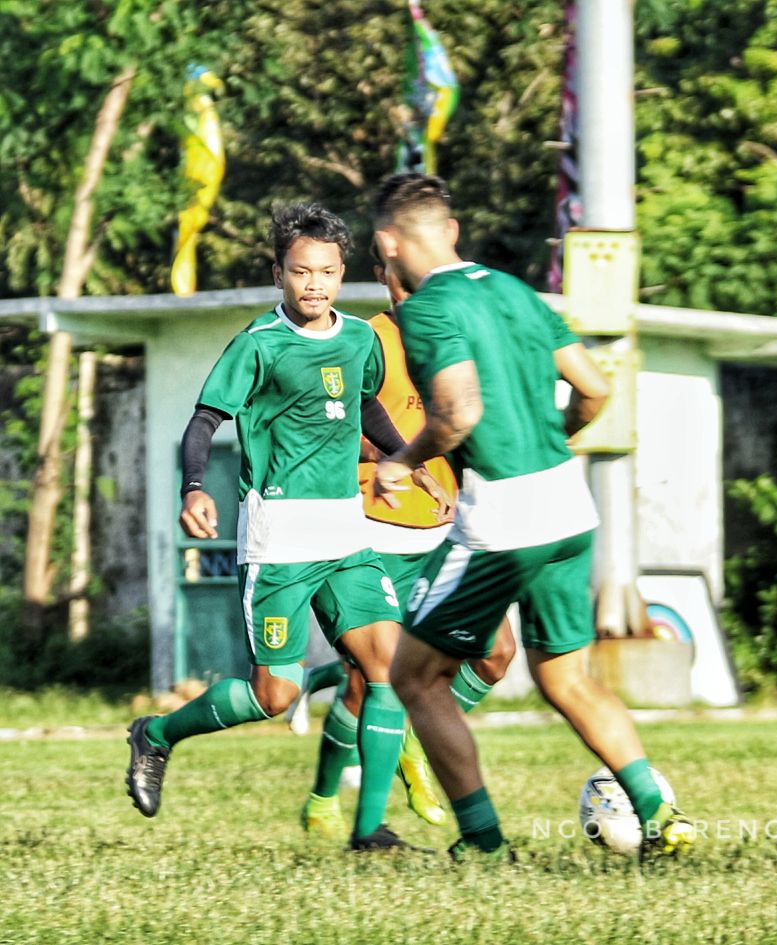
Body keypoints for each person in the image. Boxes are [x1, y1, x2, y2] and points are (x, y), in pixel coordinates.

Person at [369, 172, 695, 860]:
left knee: (414, 676)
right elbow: (596, 387)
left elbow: (458, 414)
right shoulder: (514, 290)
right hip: (568, 507)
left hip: (501, 520)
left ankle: (483, 841)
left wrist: (402, 462)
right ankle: (661, 812)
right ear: (452, 230)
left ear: (387, 244)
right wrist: (553, 436)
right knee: (565, 676)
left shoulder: (428, 310)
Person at [125, 203, 422, 851]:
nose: (314, 284)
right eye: (300, 271)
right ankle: (156, 734)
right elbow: (203, 423)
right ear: (278, 273)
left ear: (343, 273)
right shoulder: (258, 344)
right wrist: (194, 488)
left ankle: (368, 830)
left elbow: (364, 403)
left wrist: (405, 459)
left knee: (386, 670)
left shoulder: (361, 339)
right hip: (279, 539)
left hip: (347, 535)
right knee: (273, 693)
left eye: (326, 271)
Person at [300, 245, 519, 836]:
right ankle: (331, 805)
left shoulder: (458, 337)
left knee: (497, 651)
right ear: (382, 279)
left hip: (447, 527)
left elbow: (471, 421)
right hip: (374, 524)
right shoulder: (369, 340)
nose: (413, 291)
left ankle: (419, 744)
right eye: (400, 281)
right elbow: (335, 422)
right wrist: (396, 463)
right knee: (367, 681)